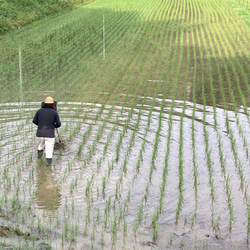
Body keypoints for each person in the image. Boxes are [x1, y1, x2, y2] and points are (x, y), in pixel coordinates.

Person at [33, 96, 61, 166]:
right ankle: (48, 168)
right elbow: (58, 124)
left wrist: (40, 125)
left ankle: (39, 159)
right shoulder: (54, 112)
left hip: (39, 134)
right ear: (52, 104)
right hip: (49, 135)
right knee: (49, 151)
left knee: (41, 145)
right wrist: (53, 126)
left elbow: (34, 121)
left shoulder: (39, 111)